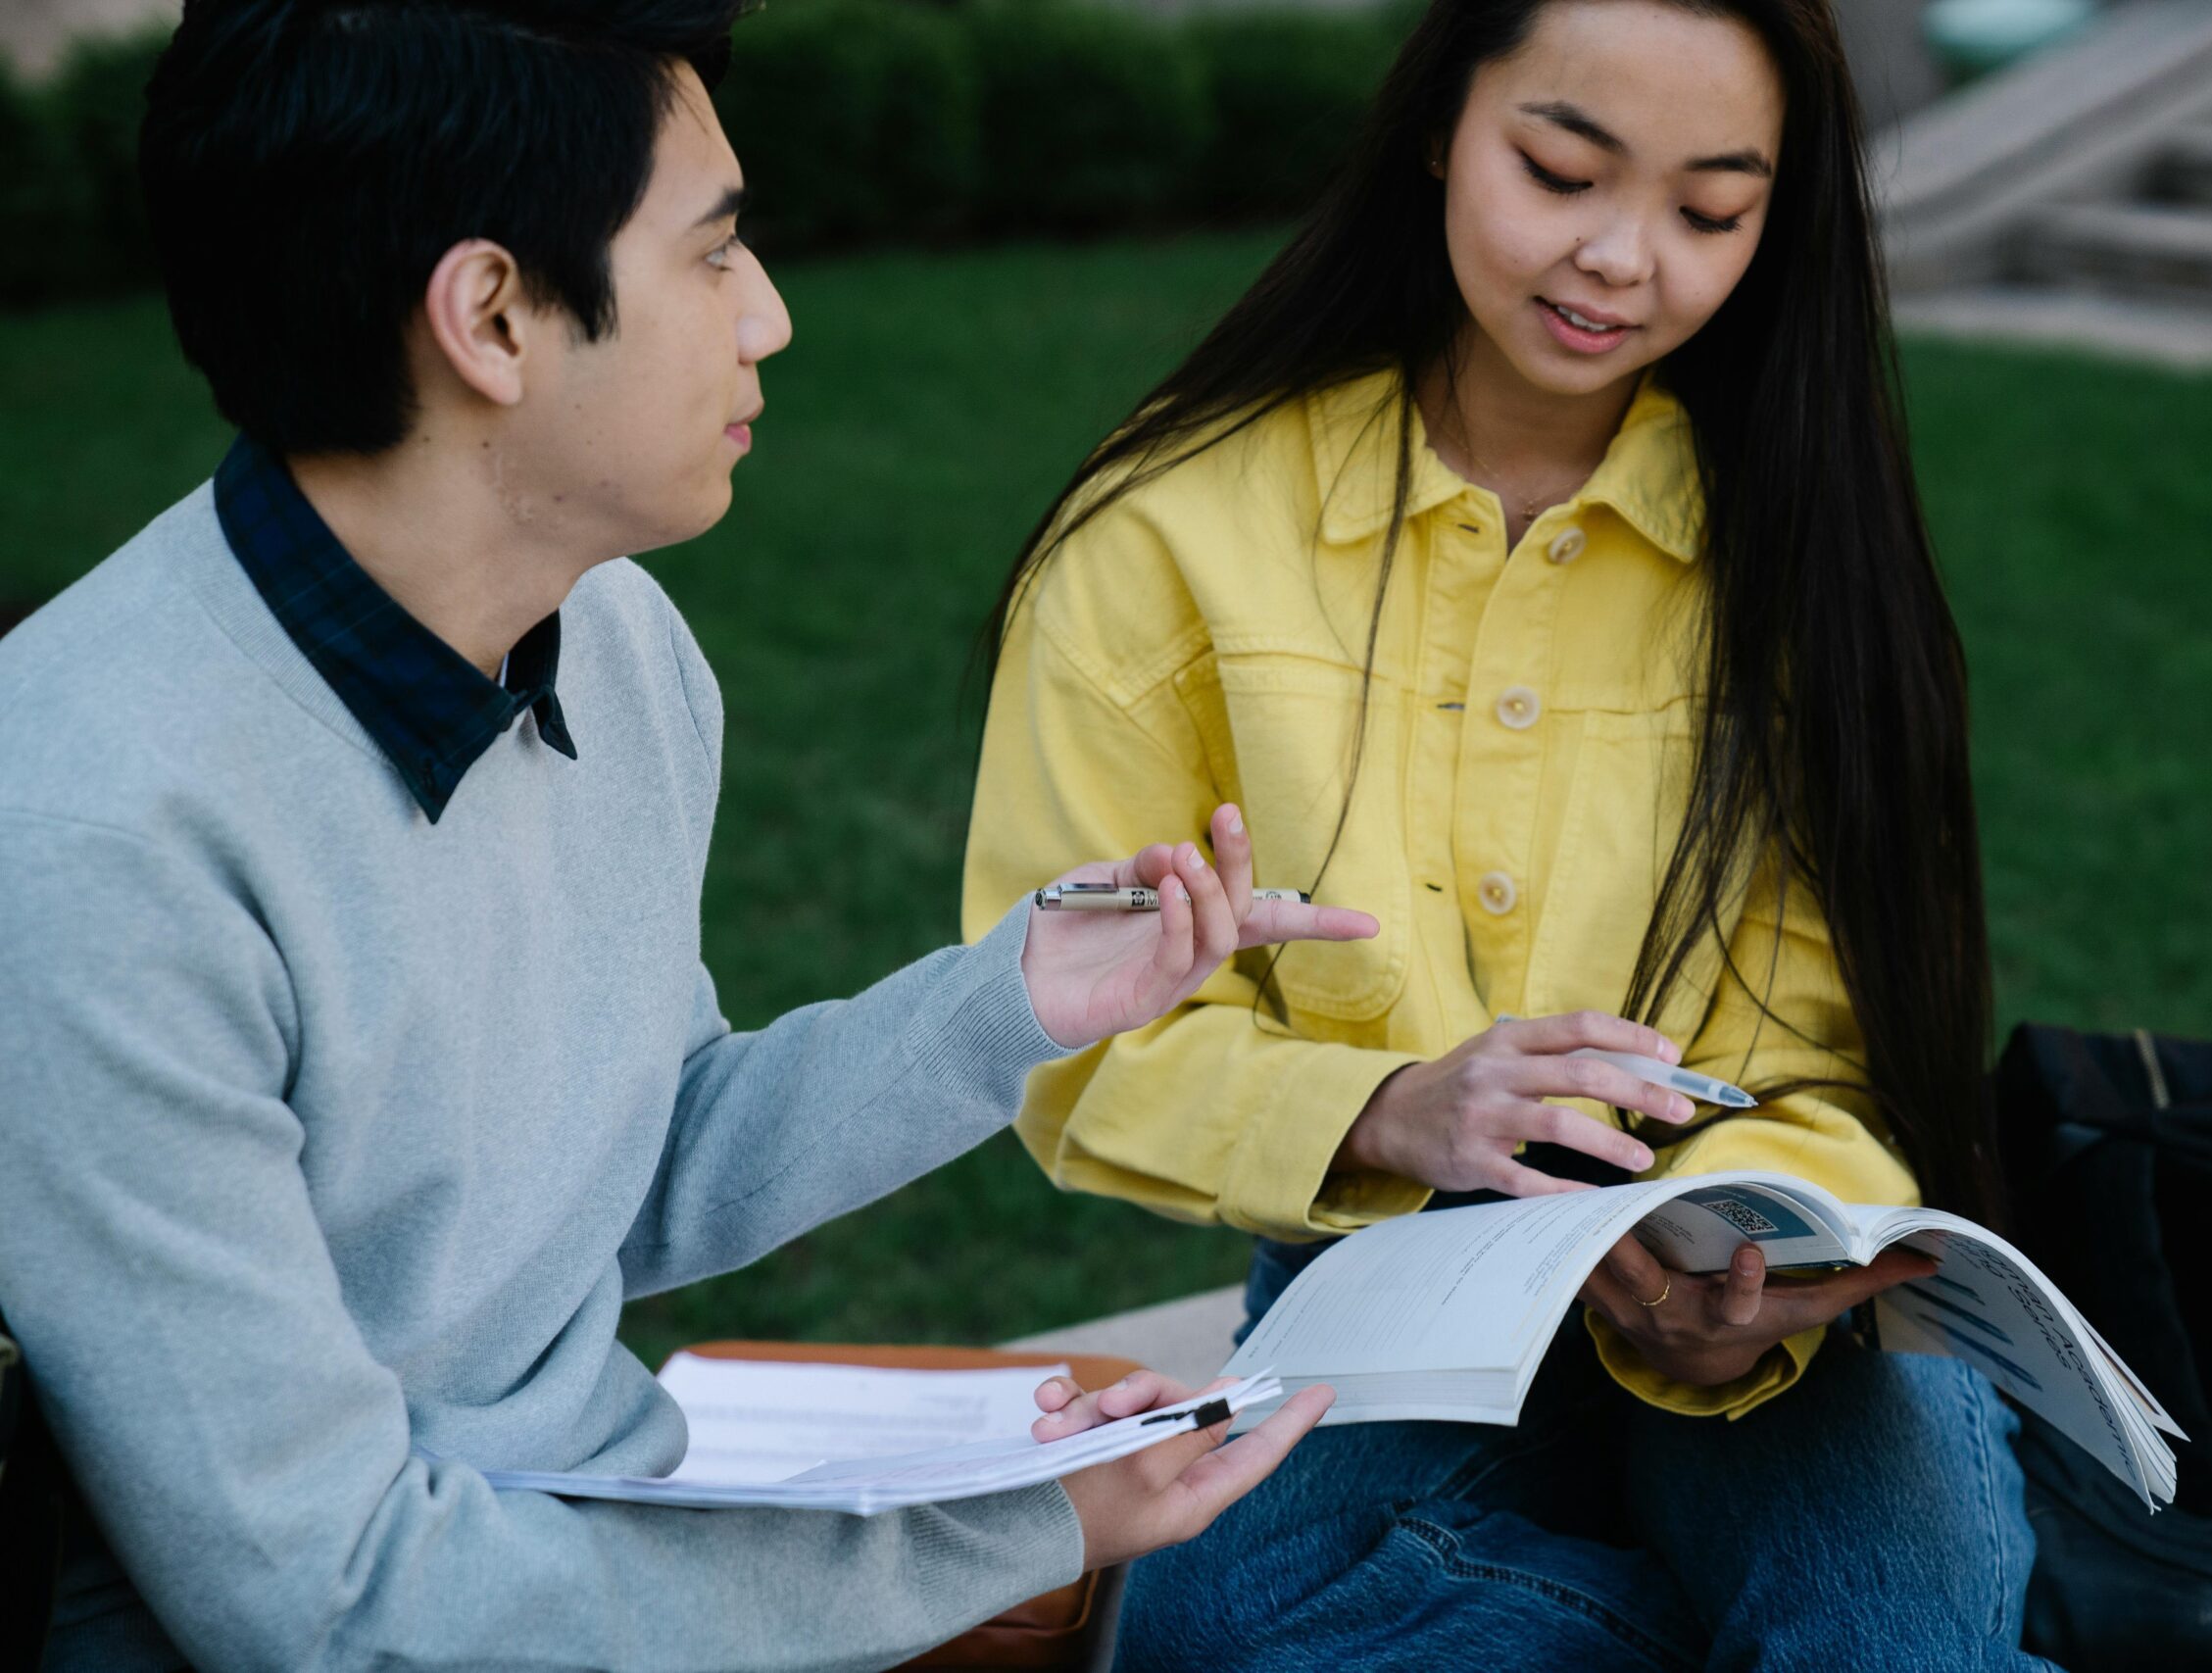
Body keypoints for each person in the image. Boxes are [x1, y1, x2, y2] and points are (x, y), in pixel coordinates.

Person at [0, 3, 1358, 1668]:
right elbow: (332, 1606)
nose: (771, 317)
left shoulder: (620, 643)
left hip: (594, 1548)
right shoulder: (92, 841)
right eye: (714, 252)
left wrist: (1013, 1001)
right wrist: (1007, 1533)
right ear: (491, 316)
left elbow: (616, 1172)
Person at [963, 1, 2049, 1667]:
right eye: (1561, 170)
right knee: (1226, 1622)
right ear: (1436, 128)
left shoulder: (1805, 552)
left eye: (1709, 212)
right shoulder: (1171, 535)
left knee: (1888, 1625)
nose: (1622, 258)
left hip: (1740, 1273)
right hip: (1389, 1265)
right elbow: (1051, 1030)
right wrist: (1390, 1106)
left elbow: (1837, 1043)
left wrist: (1741, 1286)